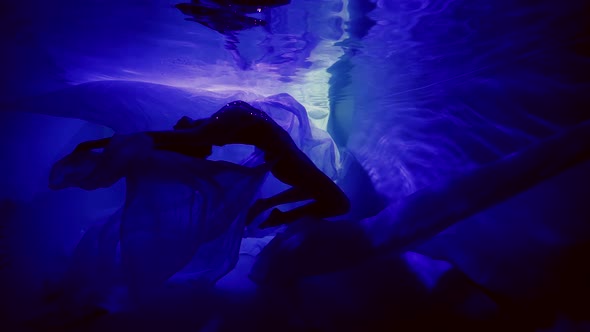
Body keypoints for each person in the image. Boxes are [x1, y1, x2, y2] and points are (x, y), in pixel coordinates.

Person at [75, 101, 350, 228]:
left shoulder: (211, 128)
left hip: (287, 160)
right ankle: (275, 212)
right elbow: (160, 139)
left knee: (331, 199)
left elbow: (158, 138)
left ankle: (271, 209)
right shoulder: (215, 127)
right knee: (336, 202)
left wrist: (97, 145)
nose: (207, 153)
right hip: (287, 161)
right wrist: (97, 145)